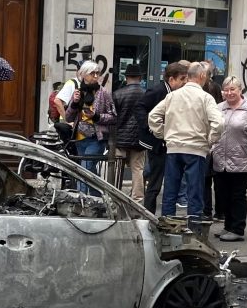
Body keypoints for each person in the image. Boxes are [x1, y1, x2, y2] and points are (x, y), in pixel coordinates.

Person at [148, 61, 223, 227]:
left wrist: (164, 134)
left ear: (188, 76)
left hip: (173, 148)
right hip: (196, 149)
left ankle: (167, 229)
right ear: (202, 76)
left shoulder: (173, 96)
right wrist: (210, 139)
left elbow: (153, 117)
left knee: (170, 192)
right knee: (194, 193)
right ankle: (193, 231)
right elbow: (219, 122)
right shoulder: (205, 98)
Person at [211, 75, 247, 241]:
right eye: (226, 90)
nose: (229, 93)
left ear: (240, 90)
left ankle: (237, 229)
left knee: (237, 195)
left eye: (232, 89)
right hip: (220, 160)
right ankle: (228, 226)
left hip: (242, 161)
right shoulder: (219, 108)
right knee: (223, 195)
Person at [134, 61, 189, 214]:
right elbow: (139, 107)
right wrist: (149, 127)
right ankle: (148, 214)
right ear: (171, 79)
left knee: (163, 178)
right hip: (157, 143)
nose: (185, 82)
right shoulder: (158, 91)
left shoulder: (174, 93)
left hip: (167, 142)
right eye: (182, 79)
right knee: (155, 181)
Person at [65, 60, 116, 195]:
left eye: (97, 73)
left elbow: (114, 116)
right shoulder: (78, 92)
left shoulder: (103, 93)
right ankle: (97, 198)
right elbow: (68, 118)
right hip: (80, 138)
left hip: (97, 138)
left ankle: (82, 199)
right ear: (83, 75)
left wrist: (96, 116)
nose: (95, 76)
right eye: (92, 73)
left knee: (85, 168)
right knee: (90, 170)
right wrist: (74, 103)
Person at [112, 63, 146, 202]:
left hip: (121, 138)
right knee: (137, 169)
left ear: (126, 78)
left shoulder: (118, 94)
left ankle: (115, 196)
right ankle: (137, 199)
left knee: (117, 169)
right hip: (139, 139)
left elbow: (113, 117)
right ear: (140, 77)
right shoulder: (145, 94)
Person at [201, 61, 224, 221]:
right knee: (217, 179)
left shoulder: (204, 91)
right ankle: (219, 212)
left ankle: (207, 211)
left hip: (208, 138)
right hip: (215, 137)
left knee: (205, 180)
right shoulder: (215, 88)